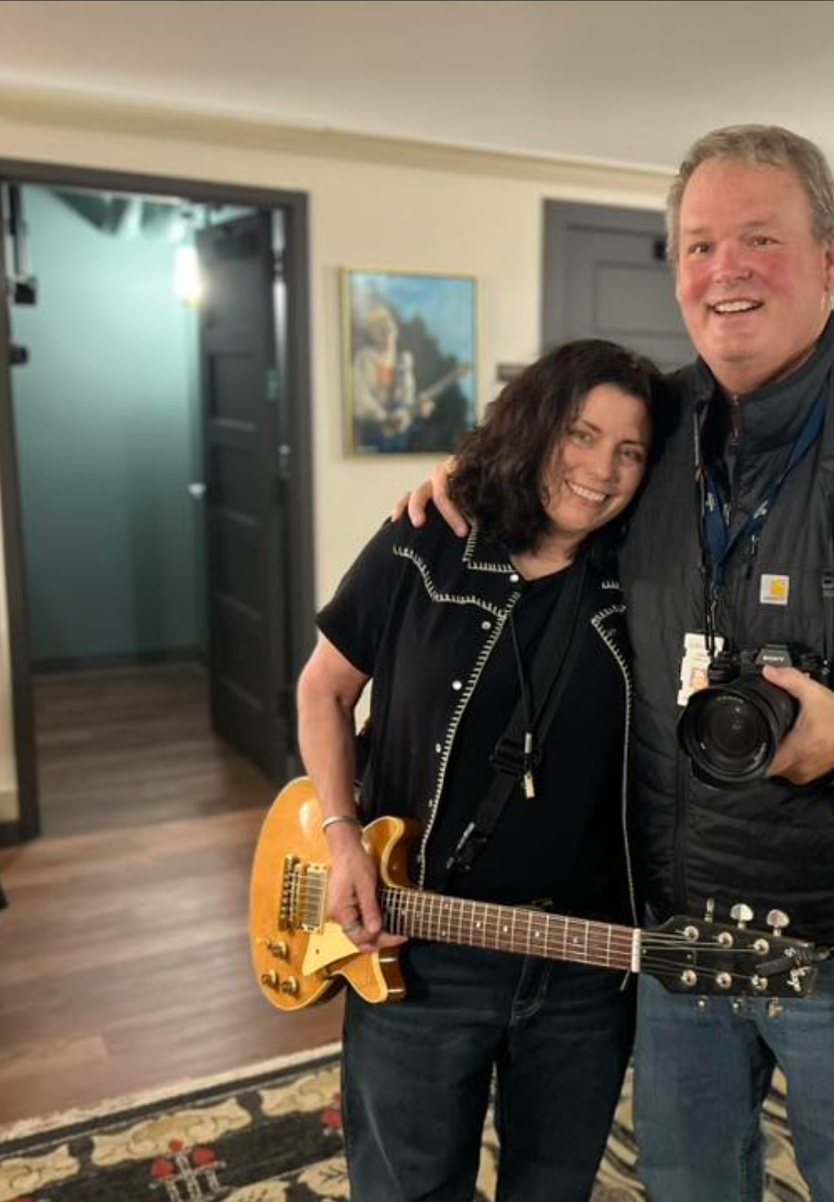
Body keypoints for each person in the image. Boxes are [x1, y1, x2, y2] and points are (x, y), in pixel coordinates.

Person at [406, 126, 834, 1201]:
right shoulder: (657, 427)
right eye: (699, 245)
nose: (726, 270)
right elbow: (560, 501)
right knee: (687, 1185)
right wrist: (474, 479)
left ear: (830, 259)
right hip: (682, 934)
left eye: (760, 238)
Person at [297, 338, 667, 1201]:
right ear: (536, 427)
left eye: (629, 451)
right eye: (580, 435)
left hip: (583, 967)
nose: (600, 470)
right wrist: (343, 838)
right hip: (420, 948)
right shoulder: (428, 540)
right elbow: (324, 690)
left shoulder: (649, 577)